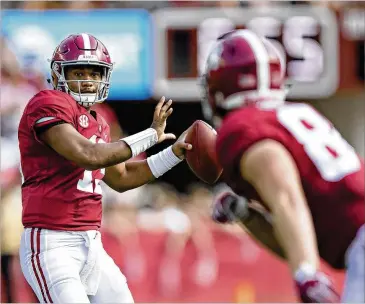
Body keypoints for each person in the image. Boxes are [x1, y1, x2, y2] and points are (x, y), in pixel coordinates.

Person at [17, 33, 192, 303]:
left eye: (94, 73)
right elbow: (87, 154)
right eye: (78, 72)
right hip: (52, 243)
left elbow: (122, 177)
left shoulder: (99, 122)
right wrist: (149, 136)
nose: (88, 80)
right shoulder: (46, 103)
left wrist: (173, 154)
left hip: (92, 243)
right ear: (58, 74)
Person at [202, 29, 364, 303]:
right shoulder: (296, 113)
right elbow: (294, 231)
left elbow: (286, 193)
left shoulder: (241, 128)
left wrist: (307, 272)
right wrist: (246, 214)